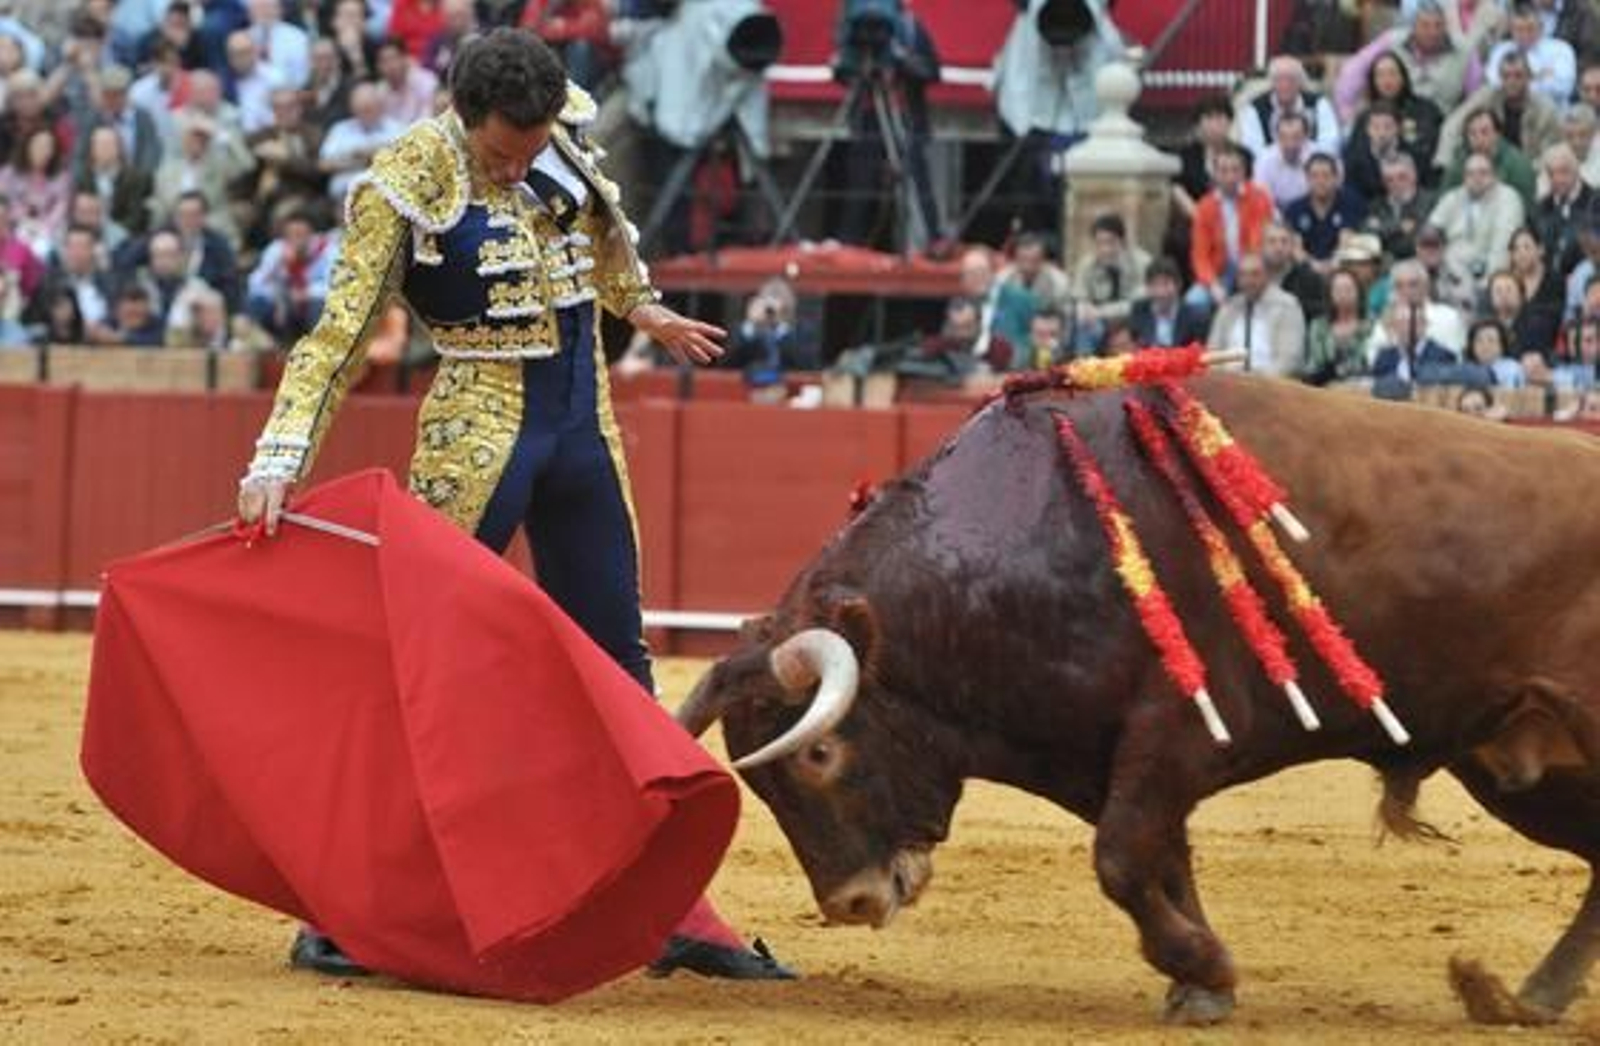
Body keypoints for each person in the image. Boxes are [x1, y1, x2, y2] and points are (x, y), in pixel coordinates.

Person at [234, 28, 791, 985]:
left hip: (582, 420)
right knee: (427, 672)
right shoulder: (402, 182)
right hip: (477, 426)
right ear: (461, 114)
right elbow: (337, 337)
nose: (521, 161)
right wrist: (280, 453)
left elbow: (597, 247)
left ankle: (663, 909)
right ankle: (353, 909)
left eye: (533, 146)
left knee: (619, 660)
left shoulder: (558, 129)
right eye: (504, 151)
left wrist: (639, 305)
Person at [1206, 250, 1307, 376]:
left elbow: (1290, 359)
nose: (1248, 280)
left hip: (1270, 385)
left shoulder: (1287, 305)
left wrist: (1256, 381)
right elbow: (1212, 354)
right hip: (1229, 383)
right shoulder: (1228, 308)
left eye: (1255, 274)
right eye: (1243, 275)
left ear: (1268, 275)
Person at [1300, 266, 1373, 385]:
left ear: (1359, 292)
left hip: (1362, 388)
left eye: (1348, 289)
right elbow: (1314, 365)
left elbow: (1370, 362)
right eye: (1338, 290)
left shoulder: (1372, 324)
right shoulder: (1318, 326)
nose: (1343, 294)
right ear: (1330, 294)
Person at [1128, 257, 1209, 349]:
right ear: (1147, 287)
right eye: (1155, 285)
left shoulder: (1195, 316)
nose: (1161, 292)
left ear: (1178, 284)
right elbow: (1136, 346)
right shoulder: (1139, 311)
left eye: (1166, 284)